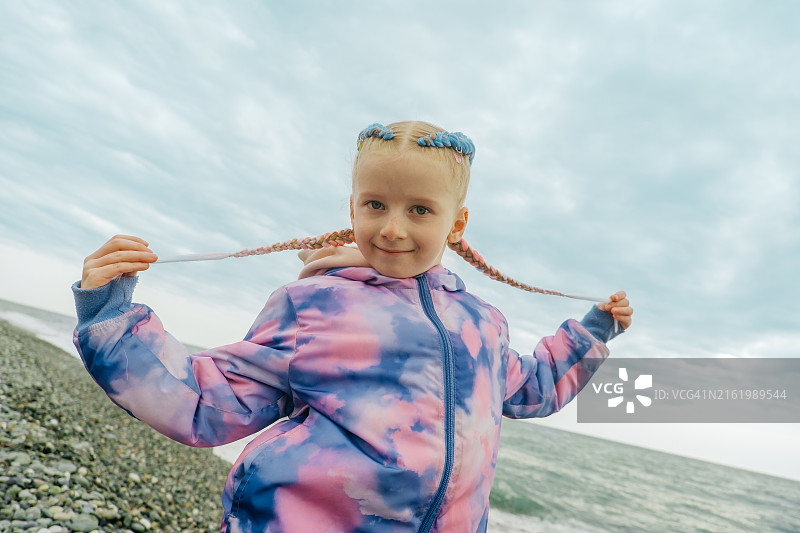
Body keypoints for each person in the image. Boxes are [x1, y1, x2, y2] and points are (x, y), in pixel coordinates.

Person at [72, 121, 633, 533]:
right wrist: (110, 313)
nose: (391, 228)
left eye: (419, 210)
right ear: (353, 207)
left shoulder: (482, 324)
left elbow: (531, 390)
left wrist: (594, 330)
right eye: (375, 204)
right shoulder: (313, 305)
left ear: (456, 223)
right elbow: (205, 400)